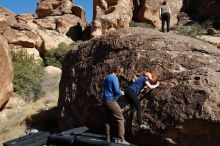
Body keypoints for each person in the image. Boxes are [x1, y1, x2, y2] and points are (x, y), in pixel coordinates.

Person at [102, 65, 130, 145]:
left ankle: (107, 137)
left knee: (107, 119)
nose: (120, 74)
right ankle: (121, 140)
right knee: (120, 119)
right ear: (118, 71)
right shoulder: (114, 78)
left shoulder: (107, 77)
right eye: (120, 72)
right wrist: (121, 92)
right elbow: (117, 91)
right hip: (111, 101)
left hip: (104, 100)